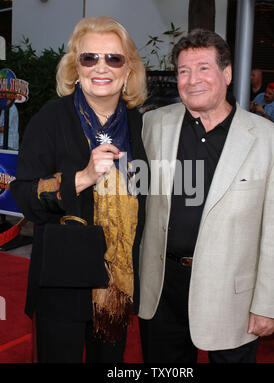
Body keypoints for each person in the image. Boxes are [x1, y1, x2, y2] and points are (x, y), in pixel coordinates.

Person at [138, 28, 274, 363]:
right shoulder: (151, 125)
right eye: (184, 70)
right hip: (163, 287)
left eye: (203, 68)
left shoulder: (271, 142)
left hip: (232, 295)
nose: (192, 79)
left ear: (226, 74)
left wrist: (268, 305)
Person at [10, 16, 148, 363]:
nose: (101, 67)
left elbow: (146, 195)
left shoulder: (138, 125)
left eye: (113, 58)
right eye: (90, 58)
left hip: (116, 285)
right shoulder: (49, 119)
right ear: (76, 67)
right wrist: (81, 177)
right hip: (61, 285)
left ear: (128, 69)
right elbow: (24, 194)